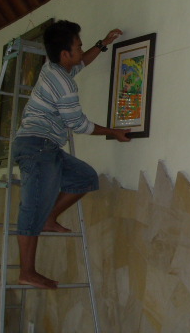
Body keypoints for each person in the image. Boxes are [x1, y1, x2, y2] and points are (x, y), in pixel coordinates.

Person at [12, 20, 131, 289]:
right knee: (32, 207)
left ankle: (49, 218)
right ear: (65, 54)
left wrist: (103, 44)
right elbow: (79, 125)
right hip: (36, 146)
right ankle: (27, 271)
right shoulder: (63, 84)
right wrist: (113, 132)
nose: (81, 49)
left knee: (85, 177)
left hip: (46, 146)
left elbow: (81, 63)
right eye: (78, 46)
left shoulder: (54, 67)